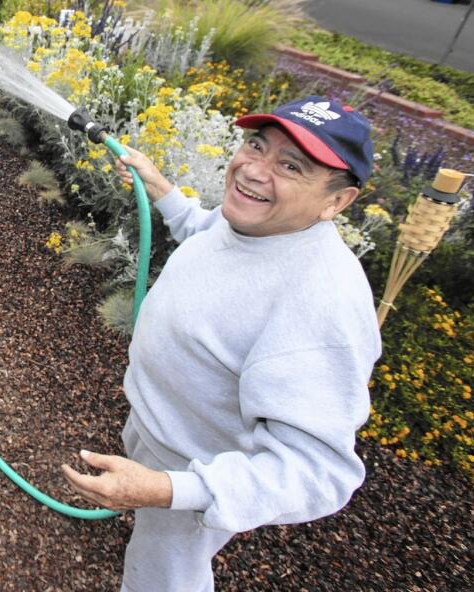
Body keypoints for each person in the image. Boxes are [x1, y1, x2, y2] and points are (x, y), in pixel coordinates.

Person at [61, 95, 382, 592]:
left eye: (290, 165)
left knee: (164, 575)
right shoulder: (259, 228)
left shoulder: (321, 304)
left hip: (196, 471)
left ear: (336, 202)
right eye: (256, 145)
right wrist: (164, 191)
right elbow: (209, 232)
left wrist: (167, 489)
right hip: (159, 430)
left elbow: (318, 471)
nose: (253, 170)